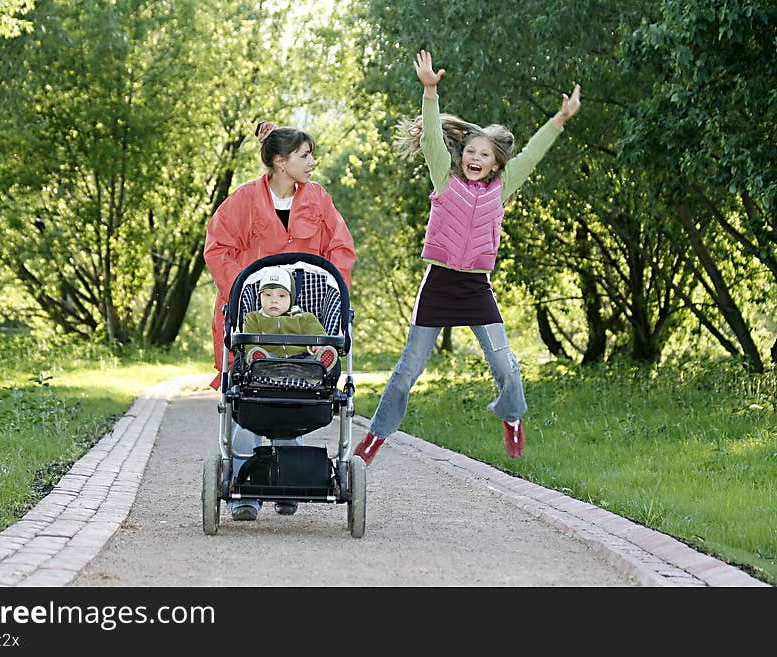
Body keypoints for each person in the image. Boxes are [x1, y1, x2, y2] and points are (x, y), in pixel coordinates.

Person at [354, 49, 581, 464]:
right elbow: (429, 140)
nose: (475, 158)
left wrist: (559, 121)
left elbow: (531, 154)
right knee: (407, 371)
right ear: (461, 156)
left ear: (497, 166)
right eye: (470, 152)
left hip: (476, 286)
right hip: (439, 284)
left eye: (484, 155)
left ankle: (511, 416)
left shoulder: (502, 187)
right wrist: (429, 90)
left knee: (505, 364)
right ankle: (375, 436)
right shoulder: (444, 177)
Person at [204, 120, 356, 520]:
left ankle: (291, 480)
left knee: (301, 387)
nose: (312, 162)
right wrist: (244, 287)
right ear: (280, 161)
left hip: (303, 314)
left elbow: (340, 246)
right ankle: (246, 492)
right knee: (251, 393)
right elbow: (218, 248)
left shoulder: (318, 199)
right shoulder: (244, 201)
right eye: (305, 156)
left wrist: (334, 292)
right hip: (254, 313)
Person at [243, 264, 339, 373]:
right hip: (270, 360)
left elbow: (317, 332)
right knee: (260, 358)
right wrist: (253, 353)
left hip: (301, 361)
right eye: (268, 295)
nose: (274, 300)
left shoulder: (303, 317)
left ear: (291, 298)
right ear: (259, 296)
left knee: (312, 361)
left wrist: (319, 345)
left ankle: (317, 370)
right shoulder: (253, 318)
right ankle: (264, 367)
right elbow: (249, 344)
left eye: (281, 296)